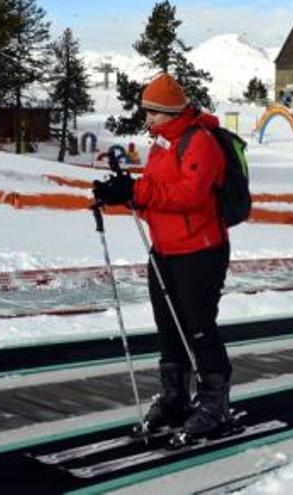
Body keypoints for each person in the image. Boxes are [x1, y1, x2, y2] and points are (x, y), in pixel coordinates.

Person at [92, 73, 233, 442]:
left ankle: (215, 403)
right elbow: (155, 193)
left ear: (171, 111)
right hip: (165, 250)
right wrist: (123, 192)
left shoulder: (200, 141)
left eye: (153, 112)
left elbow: (190, 195)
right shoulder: (162, 146)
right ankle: (175, 398)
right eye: (147, 111)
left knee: (198, 328)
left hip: (200, 251)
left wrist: (138, 189)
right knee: (169, 328)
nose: (148, 119)